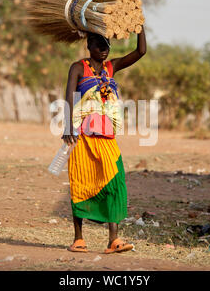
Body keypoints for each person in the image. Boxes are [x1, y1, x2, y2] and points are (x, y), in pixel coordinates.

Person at [62, 27, 146, 254]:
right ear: (88, 45)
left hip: (108, 139)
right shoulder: (78, 68)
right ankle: (78, 238)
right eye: (99, 44)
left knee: (115, 184)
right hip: (84, 138)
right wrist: (68, 126)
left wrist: (140, 25)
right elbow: (69, 98)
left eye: (107, 44)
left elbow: (140, 51)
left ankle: (114, 240)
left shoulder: (112, 67)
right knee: (81, 184)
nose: (104, 49)